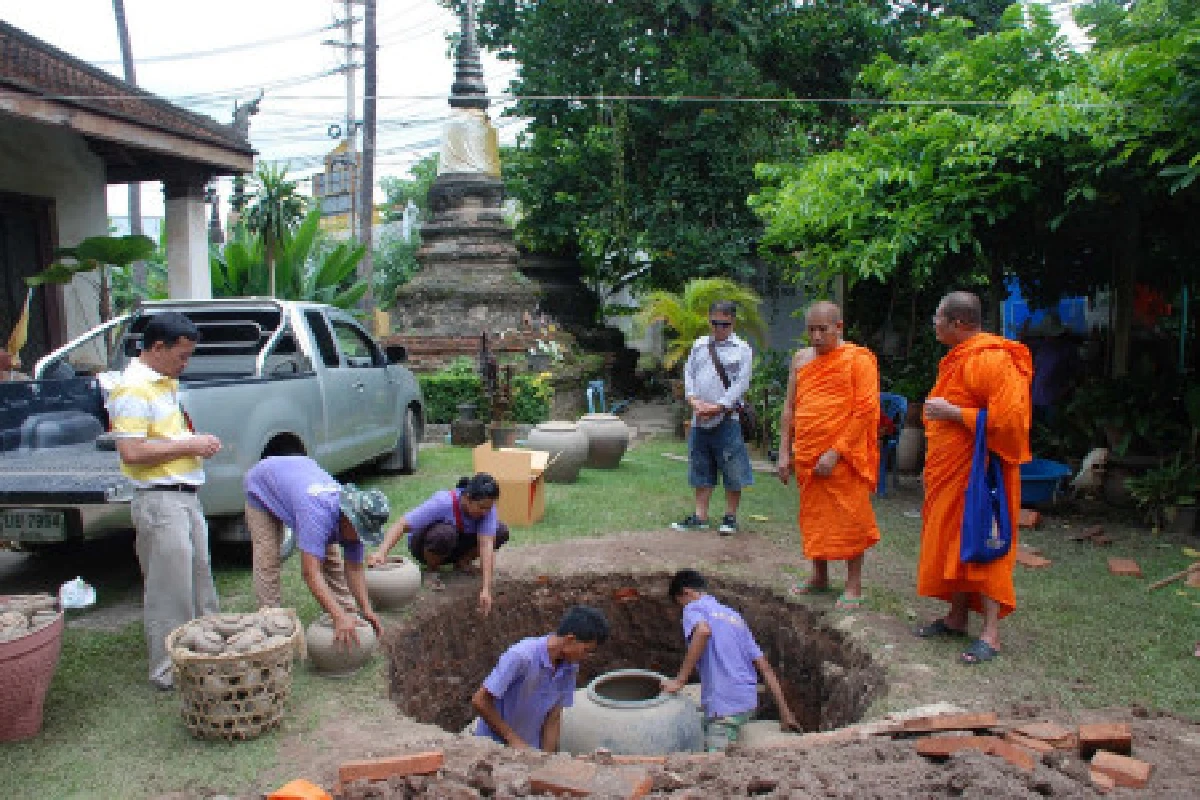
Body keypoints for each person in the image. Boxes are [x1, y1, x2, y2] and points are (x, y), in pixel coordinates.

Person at [106, 312, 222, 690]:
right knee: (169, 590)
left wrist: (193, 443)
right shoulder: (133, 388)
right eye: (182, 356)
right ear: (157, 347)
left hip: (184, 496)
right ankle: (168, 669)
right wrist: (190, 444)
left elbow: (163, 440)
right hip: (160, 500)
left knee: (199, 579)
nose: (184, 364)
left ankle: (205, 652)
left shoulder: (163, 383)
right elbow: (132, 451)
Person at [915, 291, 1032, 665]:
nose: (933, 323)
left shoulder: (994, 359)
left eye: (938, 317)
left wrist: (955, 414)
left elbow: (1009, 421)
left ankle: (991, 634)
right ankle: (956, 616)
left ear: (959, 324)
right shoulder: (957, 358)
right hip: (950, 472)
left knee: (986, 543)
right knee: (953, 541)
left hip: (984, 474)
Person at [776, 301, 882, 609]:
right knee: (814, 516)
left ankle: (853, 584)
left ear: (839, 327)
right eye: (811, 330)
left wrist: (836, 452)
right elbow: (789, 408)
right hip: (807, 451)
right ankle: (818, 575)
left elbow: (865, 410)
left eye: (824, 330)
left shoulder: (859, 360)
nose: (817, 336)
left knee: (851, 517)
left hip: (843, 455)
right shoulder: (801, 359)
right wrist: (785, 451)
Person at [243, 455, 390, 645]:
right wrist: (336, 616)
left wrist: (366, 608)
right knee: (268, 558)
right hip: (263, 485)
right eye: (361, 532)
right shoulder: (317, 515)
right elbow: (311, 573)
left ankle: (348, 613)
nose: (361, 538)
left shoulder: (356, 517)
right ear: (349, 518)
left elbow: (354, 568)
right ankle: (270, 625)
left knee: (333, 559)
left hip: (299, 475)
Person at [661, 569, 799, 750]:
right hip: (748, 704)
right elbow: (765, 668)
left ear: (687, 593)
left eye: (680, 603)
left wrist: (679, 681)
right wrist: (785, 713)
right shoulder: (734, 617)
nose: (682, 609)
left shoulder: (693, 608)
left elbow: (702, 631)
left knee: (713, 759)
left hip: (725, 708)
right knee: (699, 723)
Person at [471, 605, 609, 751]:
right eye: (586, 650)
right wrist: (512, 739)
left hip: (530, 751)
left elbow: (554, 716)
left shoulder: (569, 667)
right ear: (570, 639)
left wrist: (546, 759)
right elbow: (480, 700)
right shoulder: (521, 656)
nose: (586, 657)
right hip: (492, 747)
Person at [369, 473, 510, 616]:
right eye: (481, 507)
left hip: (456, 544)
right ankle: (432, 569)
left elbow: (486, 544)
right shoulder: (443, 502)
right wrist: (381, 553)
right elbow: (402, 524)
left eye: (489, 507)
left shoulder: (487, 511)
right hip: (426, 544)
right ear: (467, 498)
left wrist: (486, 588)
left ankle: (462, 562)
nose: (485, 511)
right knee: (445, 534)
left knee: (501, 531)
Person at [670, 300, 754, 536]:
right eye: (714, 323)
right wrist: (694, 400)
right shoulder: (699, 346)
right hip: (699, 417)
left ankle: (730, 516)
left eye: (724, 324)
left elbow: (741, 384)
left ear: (732, 322)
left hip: (727, 418)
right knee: (700, 466)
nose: (719, 329)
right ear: (709, 321)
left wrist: (718, 407)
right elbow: (689, 373)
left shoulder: (742, 349)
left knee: (732, 469)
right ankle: (700, 515)